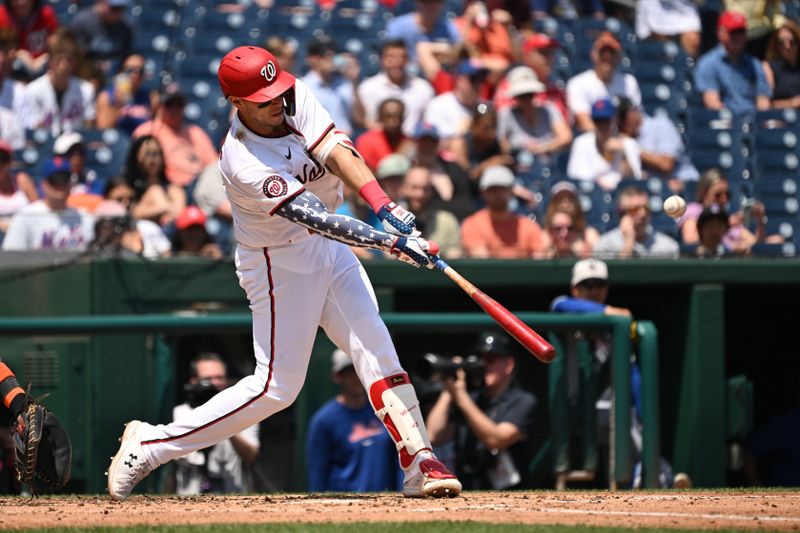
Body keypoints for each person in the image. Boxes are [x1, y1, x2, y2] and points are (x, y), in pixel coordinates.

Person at [107, 45, 462, 500]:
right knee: (276, 388)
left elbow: (338, 152)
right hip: (279, 263)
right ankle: (153, 443)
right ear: (236, 103)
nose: (278, 103)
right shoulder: (242, 160)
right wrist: (389, 242)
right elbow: (316, 216)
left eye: (278, 92)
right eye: (264, 99)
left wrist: (386, 208)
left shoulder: (293, 97)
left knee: (374, 344)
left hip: (330, 249)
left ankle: (420, 460)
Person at [425, 331, 537, 490]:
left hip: (511, 498)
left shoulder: (523, 401)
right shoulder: (469, 399)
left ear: (509, 365)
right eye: (481, 359)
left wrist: (460, 396)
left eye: (491, 360)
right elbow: (434, 435)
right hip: (468, 493)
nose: (485, 365)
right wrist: (448, 389)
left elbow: (496, 439)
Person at [306, 349, 402, 492]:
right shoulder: (324, 420)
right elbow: (318, 471)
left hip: (385, 502)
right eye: (349, 372)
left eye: (360, 371)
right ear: (337, 376)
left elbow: (399, 462)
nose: (356, 377)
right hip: (344, 505)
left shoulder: (385, 412)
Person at [173, 353, 260, 494]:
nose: (215, 383)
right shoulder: (181, 413)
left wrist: (226, 422)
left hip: (232, 496)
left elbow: (250, 455)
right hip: (189, 497)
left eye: (219, 377)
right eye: (208, 379)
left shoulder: (244, 413)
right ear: (194, 381)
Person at [132, 84, 218, 187]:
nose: (174, 109)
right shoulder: (147, 131)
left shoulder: (195, 132)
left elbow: (214, 165)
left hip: (200, 185)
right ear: (160, 105)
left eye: (178, 104)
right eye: (169, 104)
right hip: (167, 186)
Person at [2, 157, 94, 251]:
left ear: (70, 183)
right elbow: (11, 257)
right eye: (54, 180)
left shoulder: (84, 218)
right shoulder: (25, 216)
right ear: (43, 184)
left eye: (64, 179)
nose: (60, 185)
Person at [694, 11, 771, 116]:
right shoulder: (708, 63)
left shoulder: (754, 64)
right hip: (724, 124)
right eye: (733, 32)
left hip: (753, 124)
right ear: (720, 33)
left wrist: (760, 120)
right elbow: (712, 104)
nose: (737, 37)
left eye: (741, 32)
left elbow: (763, 101)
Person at [677, 168, 771, 254]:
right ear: (703, 194)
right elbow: (690, 240)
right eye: (718, 195)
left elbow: (755, 244)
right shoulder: (693, 210)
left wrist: (760, 222)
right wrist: (726, 225)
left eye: (727, 194)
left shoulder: (728, 217)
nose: (724, 199)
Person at [460, 165, 546, 258]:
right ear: (483, 193)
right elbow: (482, 263)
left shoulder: (528, 227)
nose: (498, 194)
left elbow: (539, 259)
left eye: (502, 189)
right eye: (493, 190)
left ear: (512, 191)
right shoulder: (472, 225)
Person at [615, 97, 698, 191]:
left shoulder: (660, 126)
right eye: (615, 119)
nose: (618, 123)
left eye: (622, 117)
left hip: (683, 184)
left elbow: (666, 165)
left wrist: (632, 148)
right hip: (654, 189)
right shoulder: (620, 138)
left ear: (635, 112)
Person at [356, 39, 435, 137]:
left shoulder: (423, 88)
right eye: (391, 57)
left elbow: (428, 123)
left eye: (402, 57)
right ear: (382, 60)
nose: (398, 62)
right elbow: (369, 122)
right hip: (382, 142)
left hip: (414, 143)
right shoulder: (368, 88)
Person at [566, 32, 641, 132]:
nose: (607, 56)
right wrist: (609, 140)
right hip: (591, 142)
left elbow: (636, 119)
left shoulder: (629, 82)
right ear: (594, 55)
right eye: (603, 52)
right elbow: (583, 122)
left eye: (611, 52)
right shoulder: (578, 83)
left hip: (623, 140)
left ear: (619, 56)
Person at [23, 31, 96, 136]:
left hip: (75, 145)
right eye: (58, 60)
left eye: (69, 60)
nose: (63, 66)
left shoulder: (86, 90)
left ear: (74, 63)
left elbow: (89, 126)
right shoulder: (32, 90)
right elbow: (34, 128)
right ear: (50, 61)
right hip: (45, 145)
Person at [497, 66, 572, 166]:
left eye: (529, 94)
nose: (526, 100)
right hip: (520, 167)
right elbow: (502, 144)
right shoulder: (506, 114)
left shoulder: (548, 109)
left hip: (549, 166)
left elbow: (566, 137)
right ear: (515, 97)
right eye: (522, 96)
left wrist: (544, 148)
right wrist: (518, 151)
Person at [567, 98, 642, 191]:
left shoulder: (629, 144)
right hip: (592, 195)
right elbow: (577, 179)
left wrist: (622, 154)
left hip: (620, 196)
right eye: (598, 121)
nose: (602, 125)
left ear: (614, 120)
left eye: (606, 120)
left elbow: (633, 181)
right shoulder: (581, 143)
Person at [494, 33, 567, 121]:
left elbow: (565, 124)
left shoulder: (556, 88)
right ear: (528, 56)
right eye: (544, 53)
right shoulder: (511, 85)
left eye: (551, 53)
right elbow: (505, 121)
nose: (549, 59)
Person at [593, 185, 680, 259]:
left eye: (646, 208)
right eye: (634, 209)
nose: (643, 214)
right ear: (622, 213)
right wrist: (628, 243)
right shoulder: (606, 245)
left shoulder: (667, 247)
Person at [123, 135, 186, 227]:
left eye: (156, 153)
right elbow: (131, 215)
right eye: (147, 153)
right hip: (138, 232)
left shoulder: (173, 190)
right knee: (155, 191)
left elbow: (179, 215)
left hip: (166, 232)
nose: (153, 159)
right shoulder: (128, 189)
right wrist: (164, 208)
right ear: (136, 157)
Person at [300, 36, 357, 136]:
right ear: (311, 59)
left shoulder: (345, 83)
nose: (330, 58)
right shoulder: (303, 86)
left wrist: (354, 80)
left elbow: (359, 119)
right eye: (323, 55)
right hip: (319, 145)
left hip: (349, 142)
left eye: (333, 54)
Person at [422, 60, 488, 144]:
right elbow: (430, 140)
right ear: (459, 80)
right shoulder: (439, 105)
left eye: (481, 79)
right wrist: (458, 132)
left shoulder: (483, 107)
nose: (478, 84)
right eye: (473, 79)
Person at [402, 165, 462, 258]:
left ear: (432, 191)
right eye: (414, 188)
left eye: (425, 189)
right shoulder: (391, 220)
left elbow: (455, 254)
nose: (420, 194)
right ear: (403, 189)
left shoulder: (447, 221)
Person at [385, 0, 461, 66]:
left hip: (437, 76)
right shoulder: (398, 26)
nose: (431, 6)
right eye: (426, 2)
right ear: (418, 2)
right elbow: (391, 57)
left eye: (436, 2)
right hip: (406, 78)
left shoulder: (449, 28)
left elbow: (460, 53)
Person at [95, 53, 156, 134]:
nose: (135, 74)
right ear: (121, 71)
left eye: (140, 71)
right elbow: (103, 131)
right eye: (130, 70)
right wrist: (116, 106)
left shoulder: (151, 98)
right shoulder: (107, 96)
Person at [68, 0, 133, 72]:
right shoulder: (82, 22)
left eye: (122, 8)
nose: (118, 12)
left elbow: (129, 55)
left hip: (116, 75)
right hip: (88, 74)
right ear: (101, 2)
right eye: (114, 8)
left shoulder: (126, 25)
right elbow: (76, 57)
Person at [0, 0, 59, 79]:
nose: (21, 2)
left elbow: (59, 45)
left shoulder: (46, 14)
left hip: (43, 73)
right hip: (10, 76)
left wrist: (46, 56)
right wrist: (17, 54)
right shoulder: (1, 15)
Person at [355, 98, 414, 172]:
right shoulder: (366, 141)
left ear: (403, 118)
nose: (394, 122)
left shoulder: (410, 143)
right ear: (380, 117)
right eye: (388, 117)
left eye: (398, 117)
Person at [635, 0, 701, 58]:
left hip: (684, 8)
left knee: (692, 39)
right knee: (655, 45)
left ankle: (692, 67)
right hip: (655, 9)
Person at [546, 181, 600, 251]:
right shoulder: (546, 236)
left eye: (570, 199)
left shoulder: (589, 235)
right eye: (560, 199)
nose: (565, 203)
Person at [0, 140, 35, 240]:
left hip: (26, 238)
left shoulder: (22, 180)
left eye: (3, 159)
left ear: (10, 162)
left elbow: (39, 210)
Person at [762, 20, 800, 109]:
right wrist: (793, 103)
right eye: (781, 42)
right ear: (776, 45)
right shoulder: (769, 67)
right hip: (781, 118)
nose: (787, 46)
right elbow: (765, 105)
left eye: (791, 41)